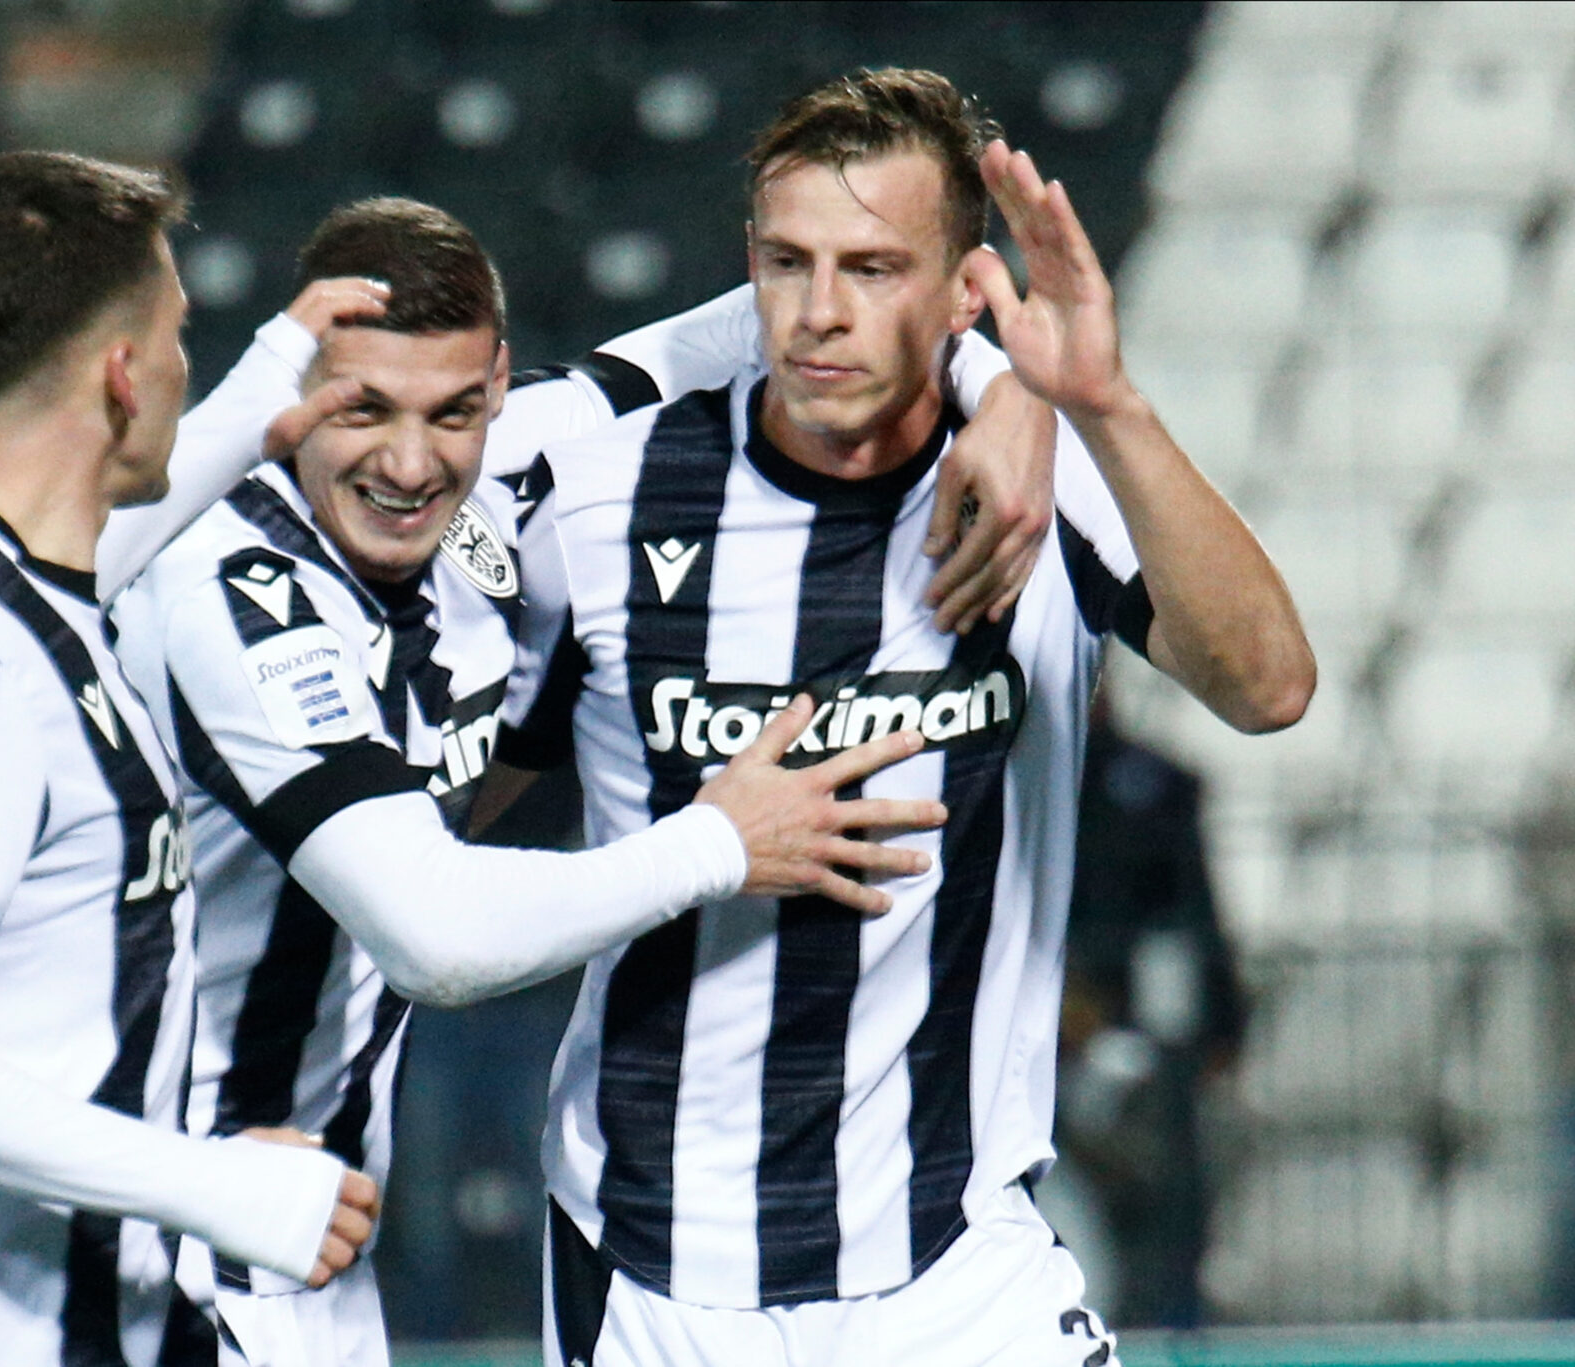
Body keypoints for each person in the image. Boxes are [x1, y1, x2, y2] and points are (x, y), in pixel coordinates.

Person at [497, 67, 1314, 1366]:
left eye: (873, 268)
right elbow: (446, 817)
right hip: (657, 1274)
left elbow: (1268, 684)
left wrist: (1101, 402)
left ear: (962, 287)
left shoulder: (1047, 482)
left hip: (958, 1267)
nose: (820, 311)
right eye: (788, 262)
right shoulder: (603, 505)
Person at [111, 197, 959, 1367]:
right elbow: (434, 936)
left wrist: (1007, 392)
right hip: (153, 1237)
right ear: (293, 392)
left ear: (499, 386)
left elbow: (757, 324)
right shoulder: (230, 587)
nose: (409, 462)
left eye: (451, 412)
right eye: (361, 409)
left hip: (306, 1241)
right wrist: (715, 842)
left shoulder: (510, 462)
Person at [0, 150, 389, 1367]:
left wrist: (270, 381)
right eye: (175, 336)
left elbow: (96, 547)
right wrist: (207, 1183)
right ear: (121, 372)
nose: (180, 364)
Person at [1055, 697, 1244, 1329]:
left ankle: (1170, 1312)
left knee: (1164, 1181)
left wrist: (1220, 1021)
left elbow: (1192, 911)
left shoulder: (1152, 783)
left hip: (1138, 1026)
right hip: (1045, 1028)